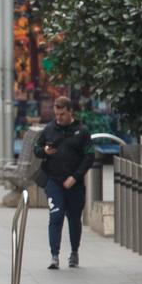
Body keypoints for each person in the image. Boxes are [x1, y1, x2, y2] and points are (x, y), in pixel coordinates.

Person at [35, 96, 94, 269]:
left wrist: (75, 177)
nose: (58, 118)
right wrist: (45, 151)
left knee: (74, 219)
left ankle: (74, 252)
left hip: (74, 183)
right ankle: (54, 256)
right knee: (56, 215)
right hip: (53, 180)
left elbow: (89, 156)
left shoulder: (82, 131)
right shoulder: (49, 129)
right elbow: (36, 149)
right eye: (56, 114)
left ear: (70, 112)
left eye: (62, 114)